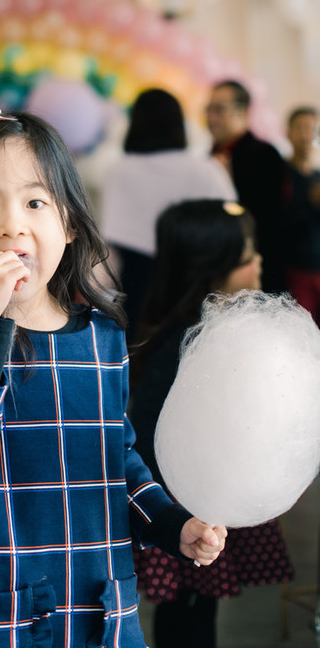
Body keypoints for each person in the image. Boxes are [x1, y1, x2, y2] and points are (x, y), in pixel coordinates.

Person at [0, 107, 227, 648]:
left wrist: (174, 525)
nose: (12, 225)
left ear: (70, 224)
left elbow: (117, 459)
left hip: (96, 604)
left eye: (35, 202)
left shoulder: (102, 339)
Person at [130, 199, 294, 648]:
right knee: (188, 609)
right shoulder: (182, 346)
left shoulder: (222, 331)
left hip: (208, 500)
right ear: (211, 267)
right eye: (246, 256)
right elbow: (143, 434)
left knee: (197, 606)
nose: (259, 261)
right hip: (185, 508)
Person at [101, 89, 235, 341]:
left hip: (138, 287)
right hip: (197, 285)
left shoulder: (118, 171)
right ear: (179, 123)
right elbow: (233, 225)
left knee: (140, 364)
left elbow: (107, 244)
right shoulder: (206, 170)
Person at [206, 79, 285, 292]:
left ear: (243, 112)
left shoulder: (265, 155)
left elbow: (269, 220)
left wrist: (227, 186)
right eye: (208, 109)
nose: (210, 118)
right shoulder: (209, 157)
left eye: (219, 110)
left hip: (257, 272)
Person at [282, 106, 320, 324]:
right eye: (300, 128)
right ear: (288, 132)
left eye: (311, 129)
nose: (306, 134)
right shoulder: (280, 174)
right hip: (295, 271)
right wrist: (310, 201)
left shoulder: (317, 176)